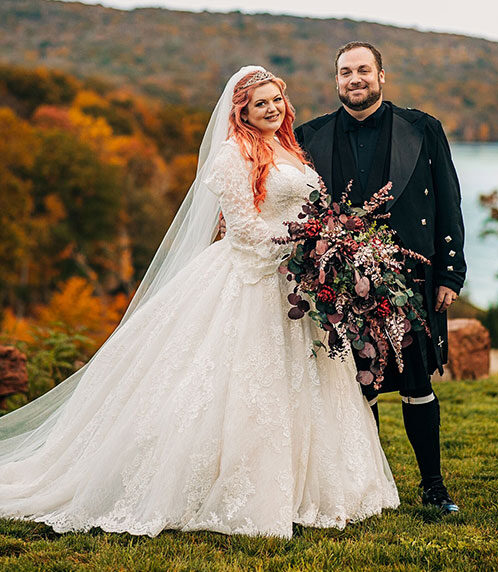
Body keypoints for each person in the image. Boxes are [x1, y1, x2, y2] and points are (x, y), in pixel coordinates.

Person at [0, 66, 399, 538]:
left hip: (297, 286)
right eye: (259, 104)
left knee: (308, 382)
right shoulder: (232, 156)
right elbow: (246, 229)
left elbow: (307, 208)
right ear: (242, 112)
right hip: (251, 279)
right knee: (232, 384)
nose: (271, 108)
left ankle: (314, 485)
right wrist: (305, 245)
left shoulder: (290, 149)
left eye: (276, 100)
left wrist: (327, 246)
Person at [295, 42, 466, 513]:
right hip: (342, 284)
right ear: (336, 82)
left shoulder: (424, 128)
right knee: (355, 386)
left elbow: (448, 203)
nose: (355, 79)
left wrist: (451, 273)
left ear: (381, 76)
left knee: (416, 384)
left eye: (363, 70)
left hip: (412, 280)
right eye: (346, 72)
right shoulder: (309, 135)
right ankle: (369, 483)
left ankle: (433, 485)